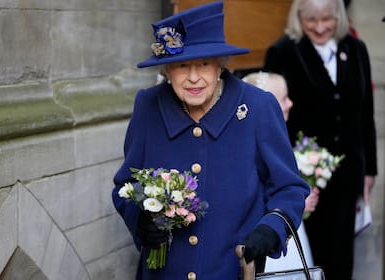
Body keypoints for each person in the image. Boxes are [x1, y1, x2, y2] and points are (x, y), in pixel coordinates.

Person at [112, 2, 310, 279]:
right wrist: (142, 219)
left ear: (220, 65)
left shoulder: (257, 108)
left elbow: (289, 188)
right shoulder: (148, 106)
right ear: (167, 71)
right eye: (181, 66)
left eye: (204, 64)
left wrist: (271, 228)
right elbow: (126, 186)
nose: (193, 77)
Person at [263, 0, 378, 279]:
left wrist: (370, 168)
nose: (319, 27)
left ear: (338, 16)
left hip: (349, 169)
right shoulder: (282, 52)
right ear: (298, 18)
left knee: (342, 252)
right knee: (312, 255)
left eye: (327, 19)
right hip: (305, 177)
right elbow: (273, 118)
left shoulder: (356, 49)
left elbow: (366, 112)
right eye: (310, 20)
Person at [242, 71, 319, 271]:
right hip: (264, 236)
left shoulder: (280, 133)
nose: (290, 103)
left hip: (284, 225)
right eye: (283, 99)